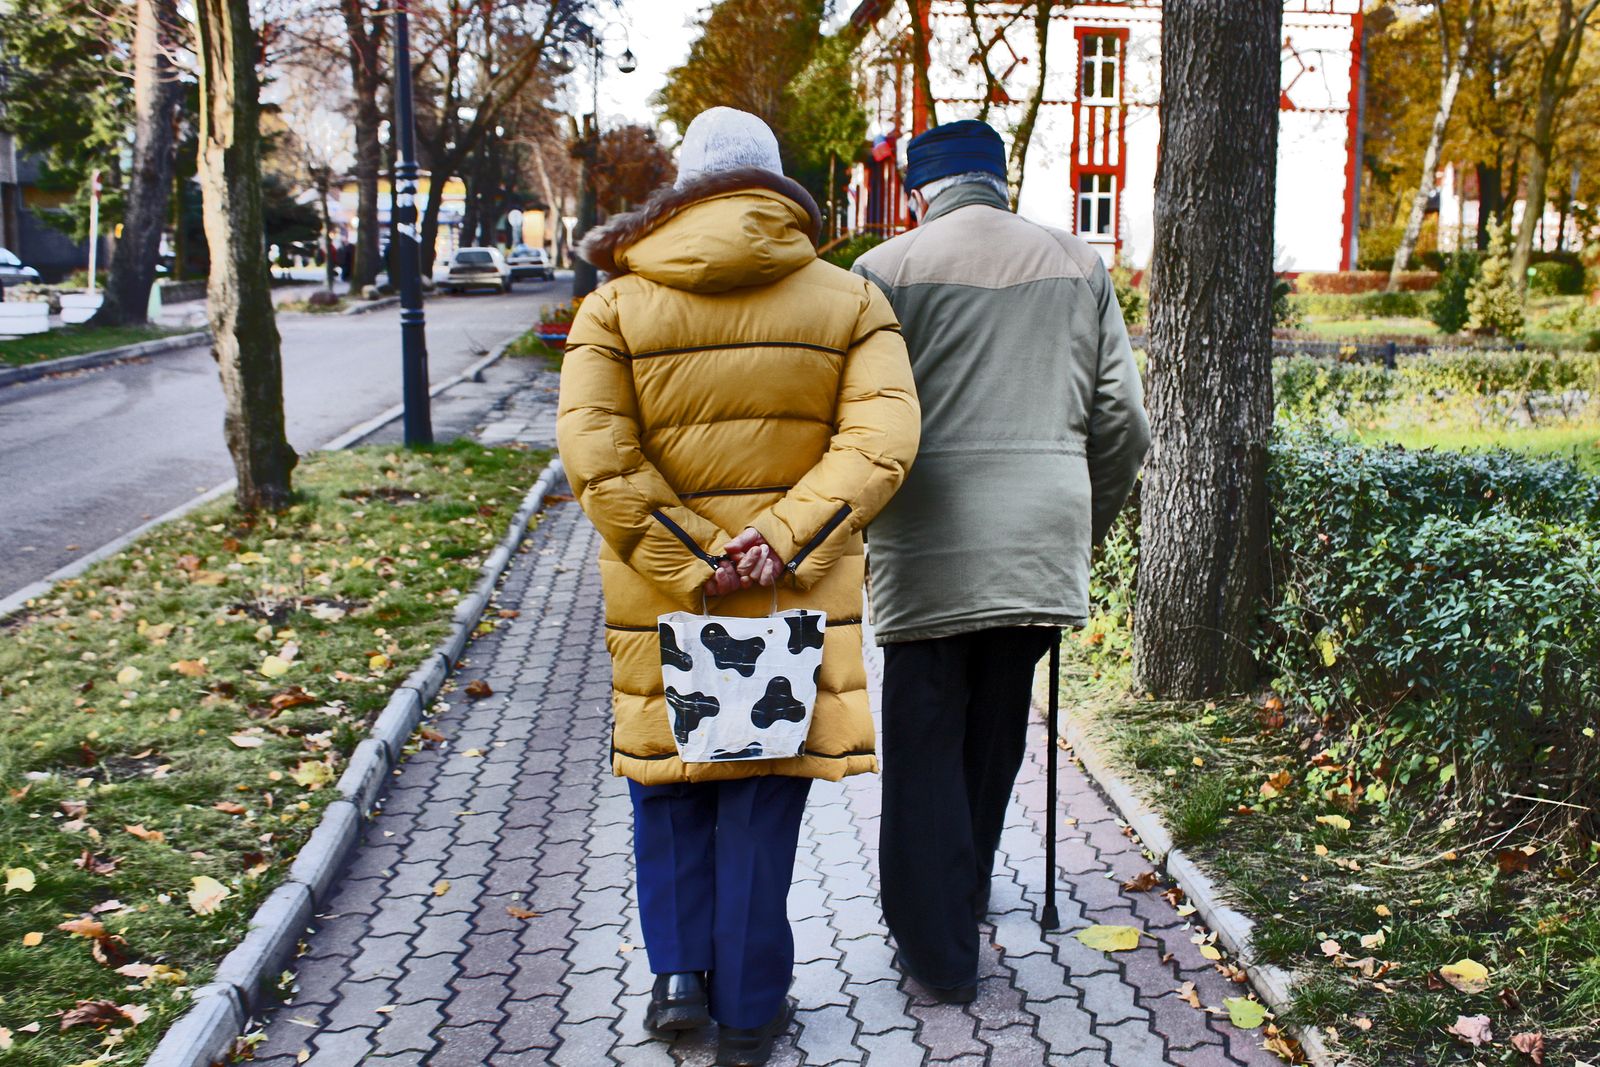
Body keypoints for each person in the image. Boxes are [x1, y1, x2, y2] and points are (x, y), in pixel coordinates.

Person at [556, 107, 919, 1066]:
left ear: (684, 185)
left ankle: (679, 976)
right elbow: (880, 441)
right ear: (776, 184)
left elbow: (597, 455)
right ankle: (752, 1007)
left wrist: (694, 554)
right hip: (787, 600)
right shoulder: (848, 300)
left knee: (669, 776)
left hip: (665, 596)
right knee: (761, 783)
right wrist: (779, 541)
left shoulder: (614, 306)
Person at [852, 119, 1150, 1002]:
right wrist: (1078, 523)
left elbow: (862, 418)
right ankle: (970, 878)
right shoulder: (1078, 264)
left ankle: (940, 950)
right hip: (1038, 537)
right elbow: (1124, 424)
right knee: (993, 728)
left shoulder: (885, 270)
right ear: (999, 181)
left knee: (922, 739)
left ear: (919, 192)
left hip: (927, 540)